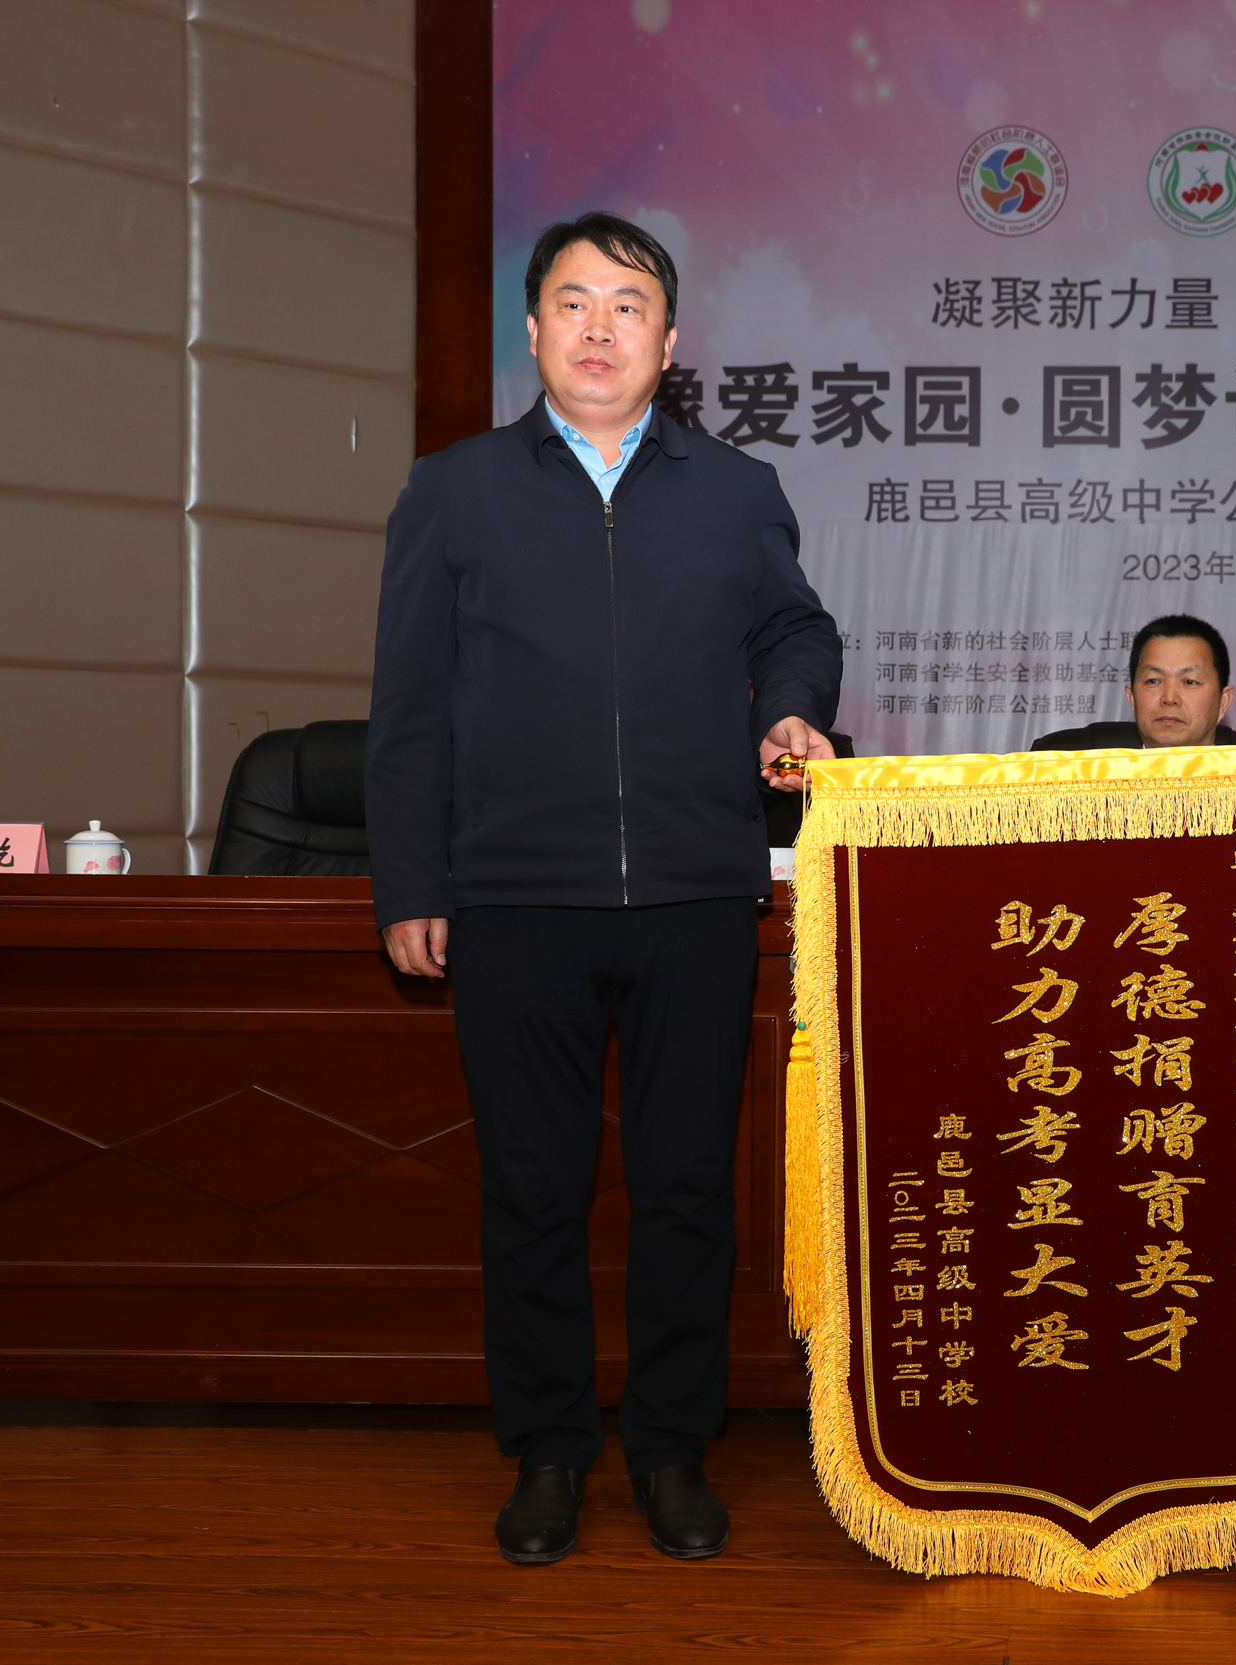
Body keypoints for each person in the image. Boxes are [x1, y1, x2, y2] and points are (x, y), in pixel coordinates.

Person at [366, 213, 841, 1567]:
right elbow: (408, 701)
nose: (598, 327)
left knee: (688, 1188)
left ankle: (674, 1449)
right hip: (515, 897)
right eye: (572, 302)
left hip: (694, 893)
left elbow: (795, 626)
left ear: (669, 341)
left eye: (627, 305)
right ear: (532, 331)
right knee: (533, 1189)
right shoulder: (454, 491)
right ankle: (549, 1449)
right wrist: (412, 879)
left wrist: (794, 705)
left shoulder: (735, 489)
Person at [1029, 614, 1236, 749]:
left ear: (1223, 702)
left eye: (1189, 682)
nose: (1169, 698)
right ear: (1132, 698)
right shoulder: (1070, 773)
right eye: (1154, 680)